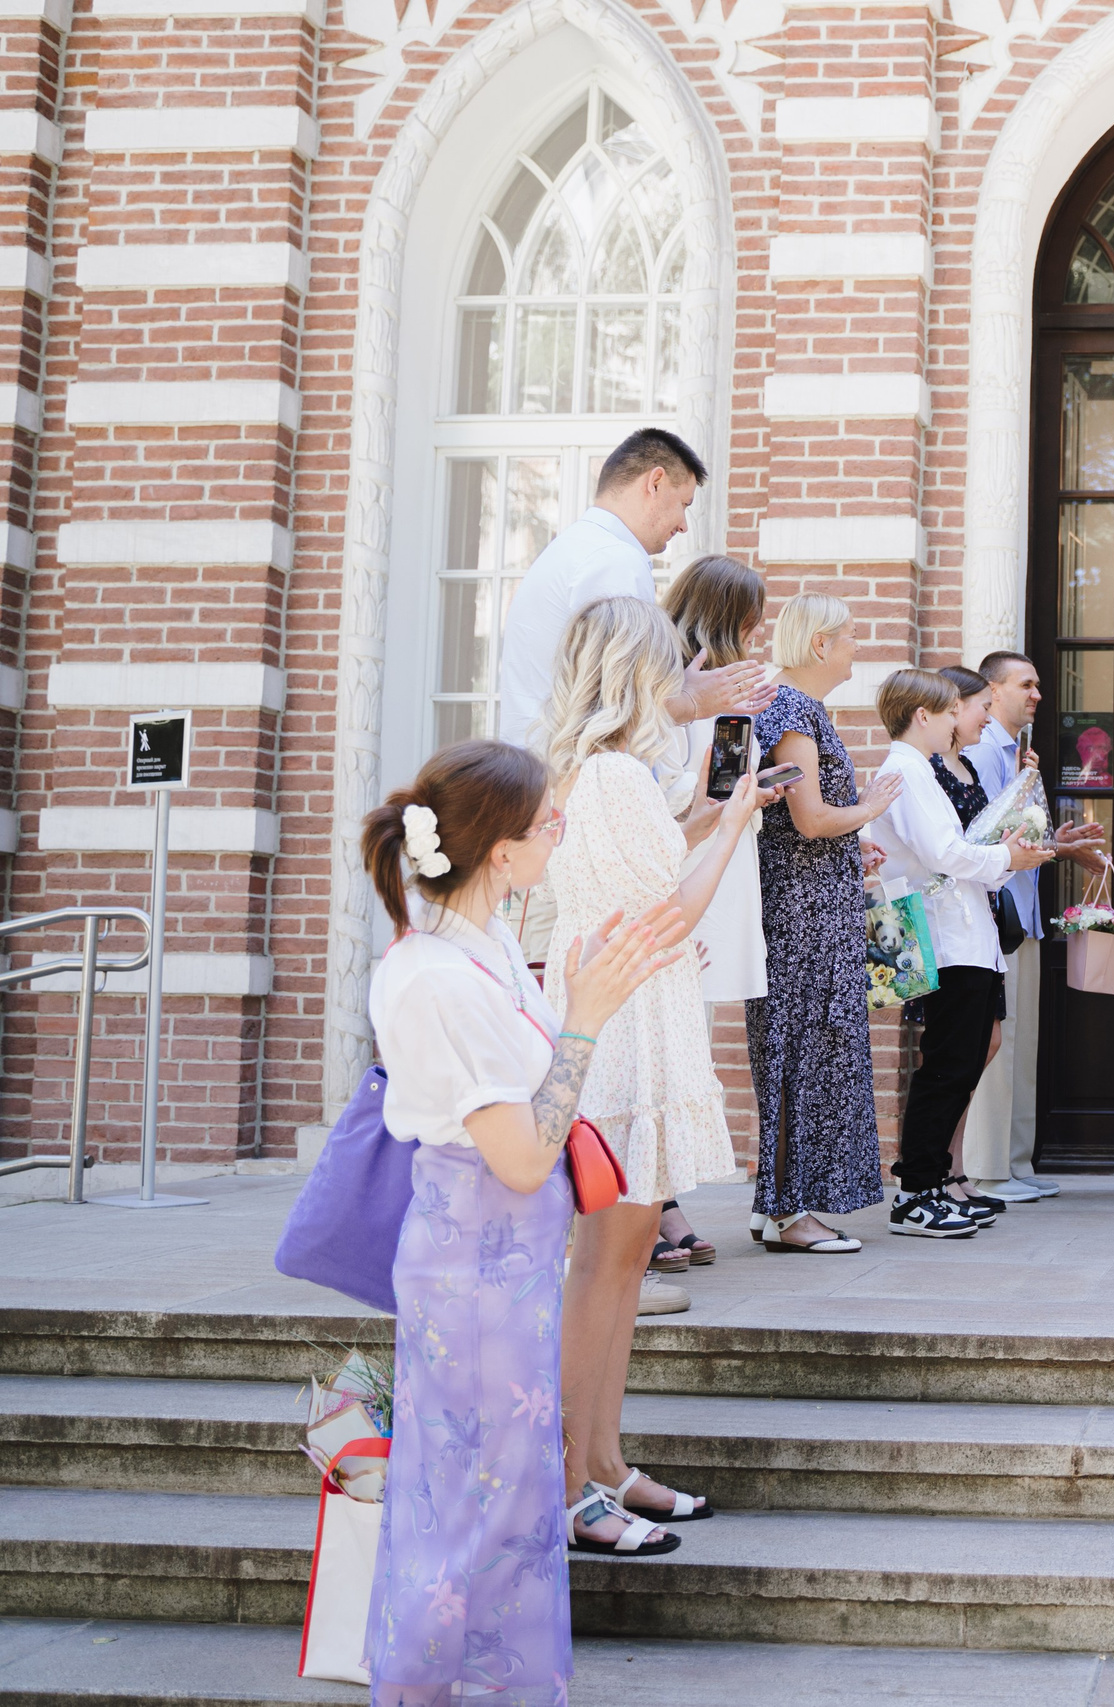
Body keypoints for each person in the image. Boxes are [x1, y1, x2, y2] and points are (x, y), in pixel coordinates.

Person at [361, 740, 686, 1701]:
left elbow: (528, 1083)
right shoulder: (434, 976)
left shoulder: (488, 946)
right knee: (474, 1510)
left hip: (503, 1270)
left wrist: (580, 991)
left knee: (510, 1500)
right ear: (502, 851)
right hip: (472, 1273)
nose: (562, 831)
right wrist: (585, 1014)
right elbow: (523, 1152)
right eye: (549, 821)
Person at [535, 595, 764, 1536]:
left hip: (630, 999)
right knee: (603, 1264)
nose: (681, 677)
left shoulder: (604, 774)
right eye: (667, 663)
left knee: (624, 1262)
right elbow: (670, 912)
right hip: (622, 1021)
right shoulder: (612, 778)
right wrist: (739, 815)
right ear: (634, 671)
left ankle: (604, 1460)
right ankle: (568, 1482)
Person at [868, 667, 1054, 1237]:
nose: (957, 720)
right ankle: (915, 1192)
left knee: (960, 1063)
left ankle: (931, 1184)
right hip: (941, 938)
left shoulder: (919, 770)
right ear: (923, 716)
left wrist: (999, 854)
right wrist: (1007, 860)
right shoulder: (904, 770)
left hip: (964, 936)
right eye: (950, 712)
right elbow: (945, 852)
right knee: (946, 1067)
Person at [746, 594, 904, 1253]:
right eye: (848, 638)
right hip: (803, 917)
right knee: (803, 1050)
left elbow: (805, 822)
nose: (854, 649)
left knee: (801, 1046)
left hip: (809, 903)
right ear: (818, 645)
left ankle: (774, 1203)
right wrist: (865, 811)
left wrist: (852, 839)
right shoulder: (794, 709)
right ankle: (790, 1215)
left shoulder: (791, 705)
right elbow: (810, 819)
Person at [652, 553, 771, 1275]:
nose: (759, 629)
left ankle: (662, 1197)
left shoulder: (727, 685)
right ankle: (653, 1202)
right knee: (664, 1039)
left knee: (684, 1038)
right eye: (751, 615)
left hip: (718, 855)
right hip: (680, 858)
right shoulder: (670, 673)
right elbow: (667, 775)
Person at [961, 651, 1106, 1204]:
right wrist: (1058, 848)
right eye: (1026, 685)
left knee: (1022, 1043)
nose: (1037, 694)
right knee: (999, 1044)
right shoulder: (982, 748)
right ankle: (988, 1170)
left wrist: (1058, 847)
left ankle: (1015, 1163)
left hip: (1023, 914)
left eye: (1038, 685)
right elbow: (989, 837)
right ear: (992, 692)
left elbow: (1020, 834)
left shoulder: (1018, 752)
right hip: (996, 918)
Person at [926, 664, 1014, 1223]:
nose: (989, 714)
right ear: (953, 708)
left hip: (981, 921)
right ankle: (936, 1172)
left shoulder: (966, 767)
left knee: (981, 1045)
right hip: (948, 928)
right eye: (983, 704)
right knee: (952, 1054)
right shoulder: (928, 769)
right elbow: (948, 850)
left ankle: (952, 1168)